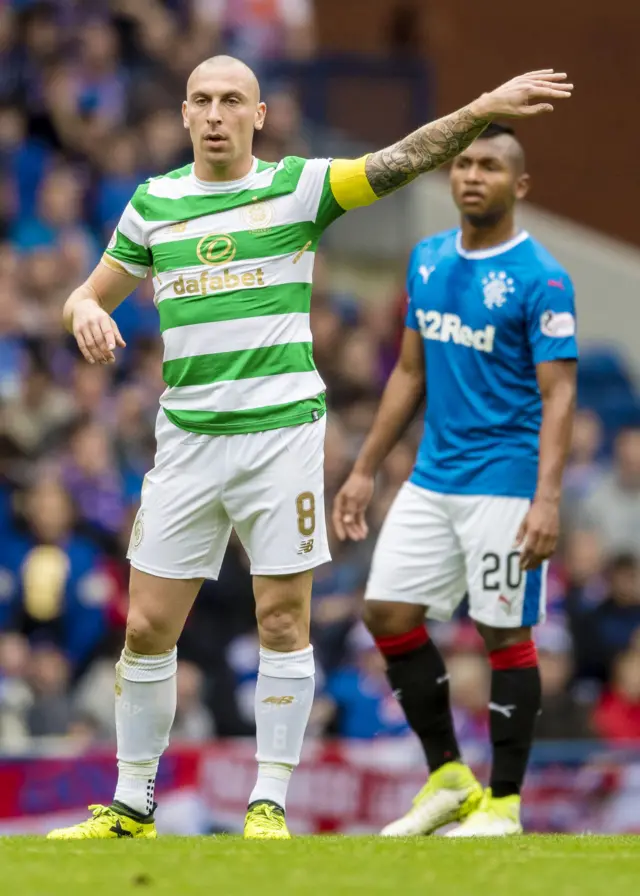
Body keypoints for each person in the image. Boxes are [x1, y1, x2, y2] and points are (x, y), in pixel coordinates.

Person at [45, 57, 572, 841]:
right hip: (185, 439)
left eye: (232, 101)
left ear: (259, 115)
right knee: (148, 628)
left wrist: (482, 104)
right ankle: (130, 805)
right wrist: (82, 309)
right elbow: (87, 291)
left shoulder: (298, 187)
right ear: (184, 114)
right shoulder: (153, 203)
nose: (216, 113)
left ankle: (268, 803)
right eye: (202, 101)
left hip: (279, 437)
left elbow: (402, 159)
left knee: (283, 619)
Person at [333, 122, 578, 837]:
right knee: (385, 612)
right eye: (463, 164)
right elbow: (410, 372)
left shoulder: (543, 277)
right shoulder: (427, 259)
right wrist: (364, 468)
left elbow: (559, 394)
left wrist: (548, 497)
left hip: (505, 481)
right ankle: (449, 776)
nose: (472, 176)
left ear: (519, 185)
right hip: (433, 475)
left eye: (490, 166)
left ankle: (504, 803)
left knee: (503, 630)